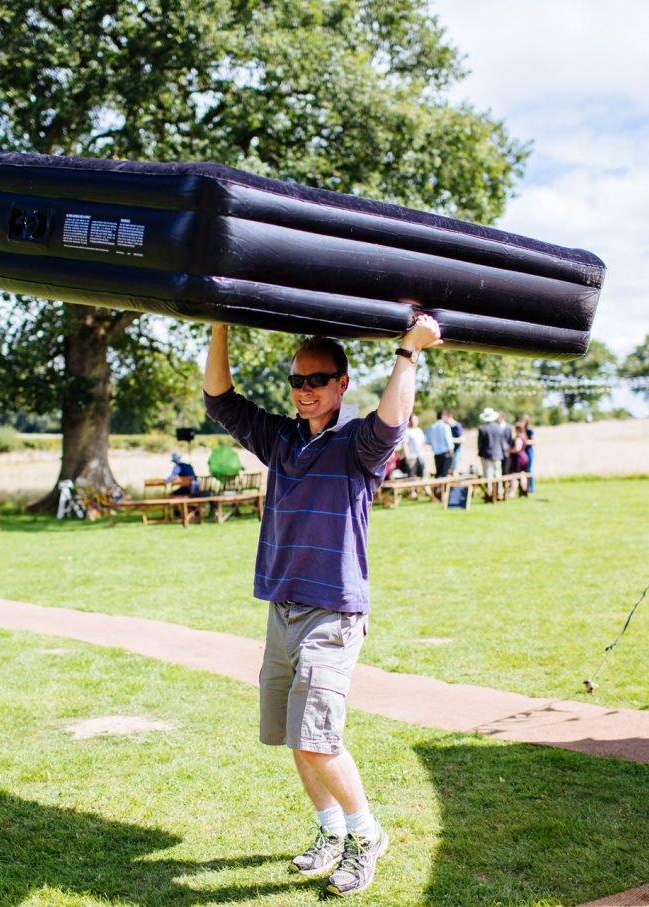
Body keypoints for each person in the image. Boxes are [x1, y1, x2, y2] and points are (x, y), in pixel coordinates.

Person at [203, 314, 442, 897]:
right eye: (297, 380)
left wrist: (408, 352)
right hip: (283, 607)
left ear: (341, 383)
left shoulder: (357, 445)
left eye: (318, 379)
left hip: (331, 613)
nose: (305, 389)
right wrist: (218, 322)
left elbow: (394, 418)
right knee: (294, 734)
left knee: (317, 738)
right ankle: (330, 831)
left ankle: (366, 837)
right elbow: (219, 399)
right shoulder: (281, 439)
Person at [476, 407, 510, 479]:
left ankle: (489, 489)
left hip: (486, 454)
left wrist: (480, 453)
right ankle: (498, 489)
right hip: (497, 454)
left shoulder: (482, 428)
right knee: (497, 473)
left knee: (488, 474)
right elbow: (502, 442)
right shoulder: (498, 427)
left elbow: (480, 444)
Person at [425, 410, 454, 478]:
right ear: (443, 416)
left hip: (437, 454)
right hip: (446, 454)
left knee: (438, 474)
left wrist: (435, 444)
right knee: (444, 475)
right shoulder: (445, 426)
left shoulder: (432, 427)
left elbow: (427, 441)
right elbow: (448, 440)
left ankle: (438, 488)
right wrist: (452, 453)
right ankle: (443, 489)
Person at [401, 414, 427, 480]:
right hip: (411, 457)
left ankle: (421, 489)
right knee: (411, 476)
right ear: (409, 421)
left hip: (420, 456)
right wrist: (407, 456)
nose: (414, 422)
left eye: (415, 420)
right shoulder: (407, 431)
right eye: (413, 420)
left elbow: (423, 442)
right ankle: (412, 490)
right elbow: (405, 444)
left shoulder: (419, 430)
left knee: (422, 475)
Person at [517, 413, 535, 494]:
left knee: (529, 470)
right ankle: (522, 488)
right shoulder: (521, 429)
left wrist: (524, 442)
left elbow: (535, 441)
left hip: (528, 451)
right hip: (522, 451)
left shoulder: (529, 430)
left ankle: (530, 488)